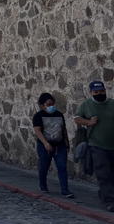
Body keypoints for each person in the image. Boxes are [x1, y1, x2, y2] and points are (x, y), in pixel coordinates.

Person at [75, 80, 114, 211]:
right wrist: (88, 122)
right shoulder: (86, 105)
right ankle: (109, 201)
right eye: (96, 92)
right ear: (91, 92)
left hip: (112, 145)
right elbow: (77, 118)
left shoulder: (112, 103)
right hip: (97, 145)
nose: (100, 94)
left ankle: (104, 194)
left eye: (102, 91)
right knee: (104, 173)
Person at [32, 92, 73, 198]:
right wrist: (45, 143)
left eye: (52, 104)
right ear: (42, 105)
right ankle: (43, 185)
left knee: (62, 166)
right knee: (44, 166)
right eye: (48, 104)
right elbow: (38, 131)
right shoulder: (38, 116)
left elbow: (63, 129)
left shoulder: (59, 114)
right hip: (44, 146)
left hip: (59, 145)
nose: (51, 106)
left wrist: (66, 143)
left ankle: (65, 190)